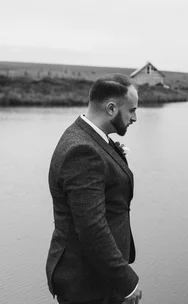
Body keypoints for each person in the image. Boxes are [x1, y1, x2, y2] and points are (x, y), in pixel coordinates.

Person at [45, 74, 143, 304]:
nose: (135, 117)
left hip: (98, 274)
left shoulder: (91, 137)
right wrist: (125, 281)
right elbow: (91, 227)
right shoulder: (82, 150)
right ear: (111, 108)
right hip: (86, 281)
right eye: (132, 110)